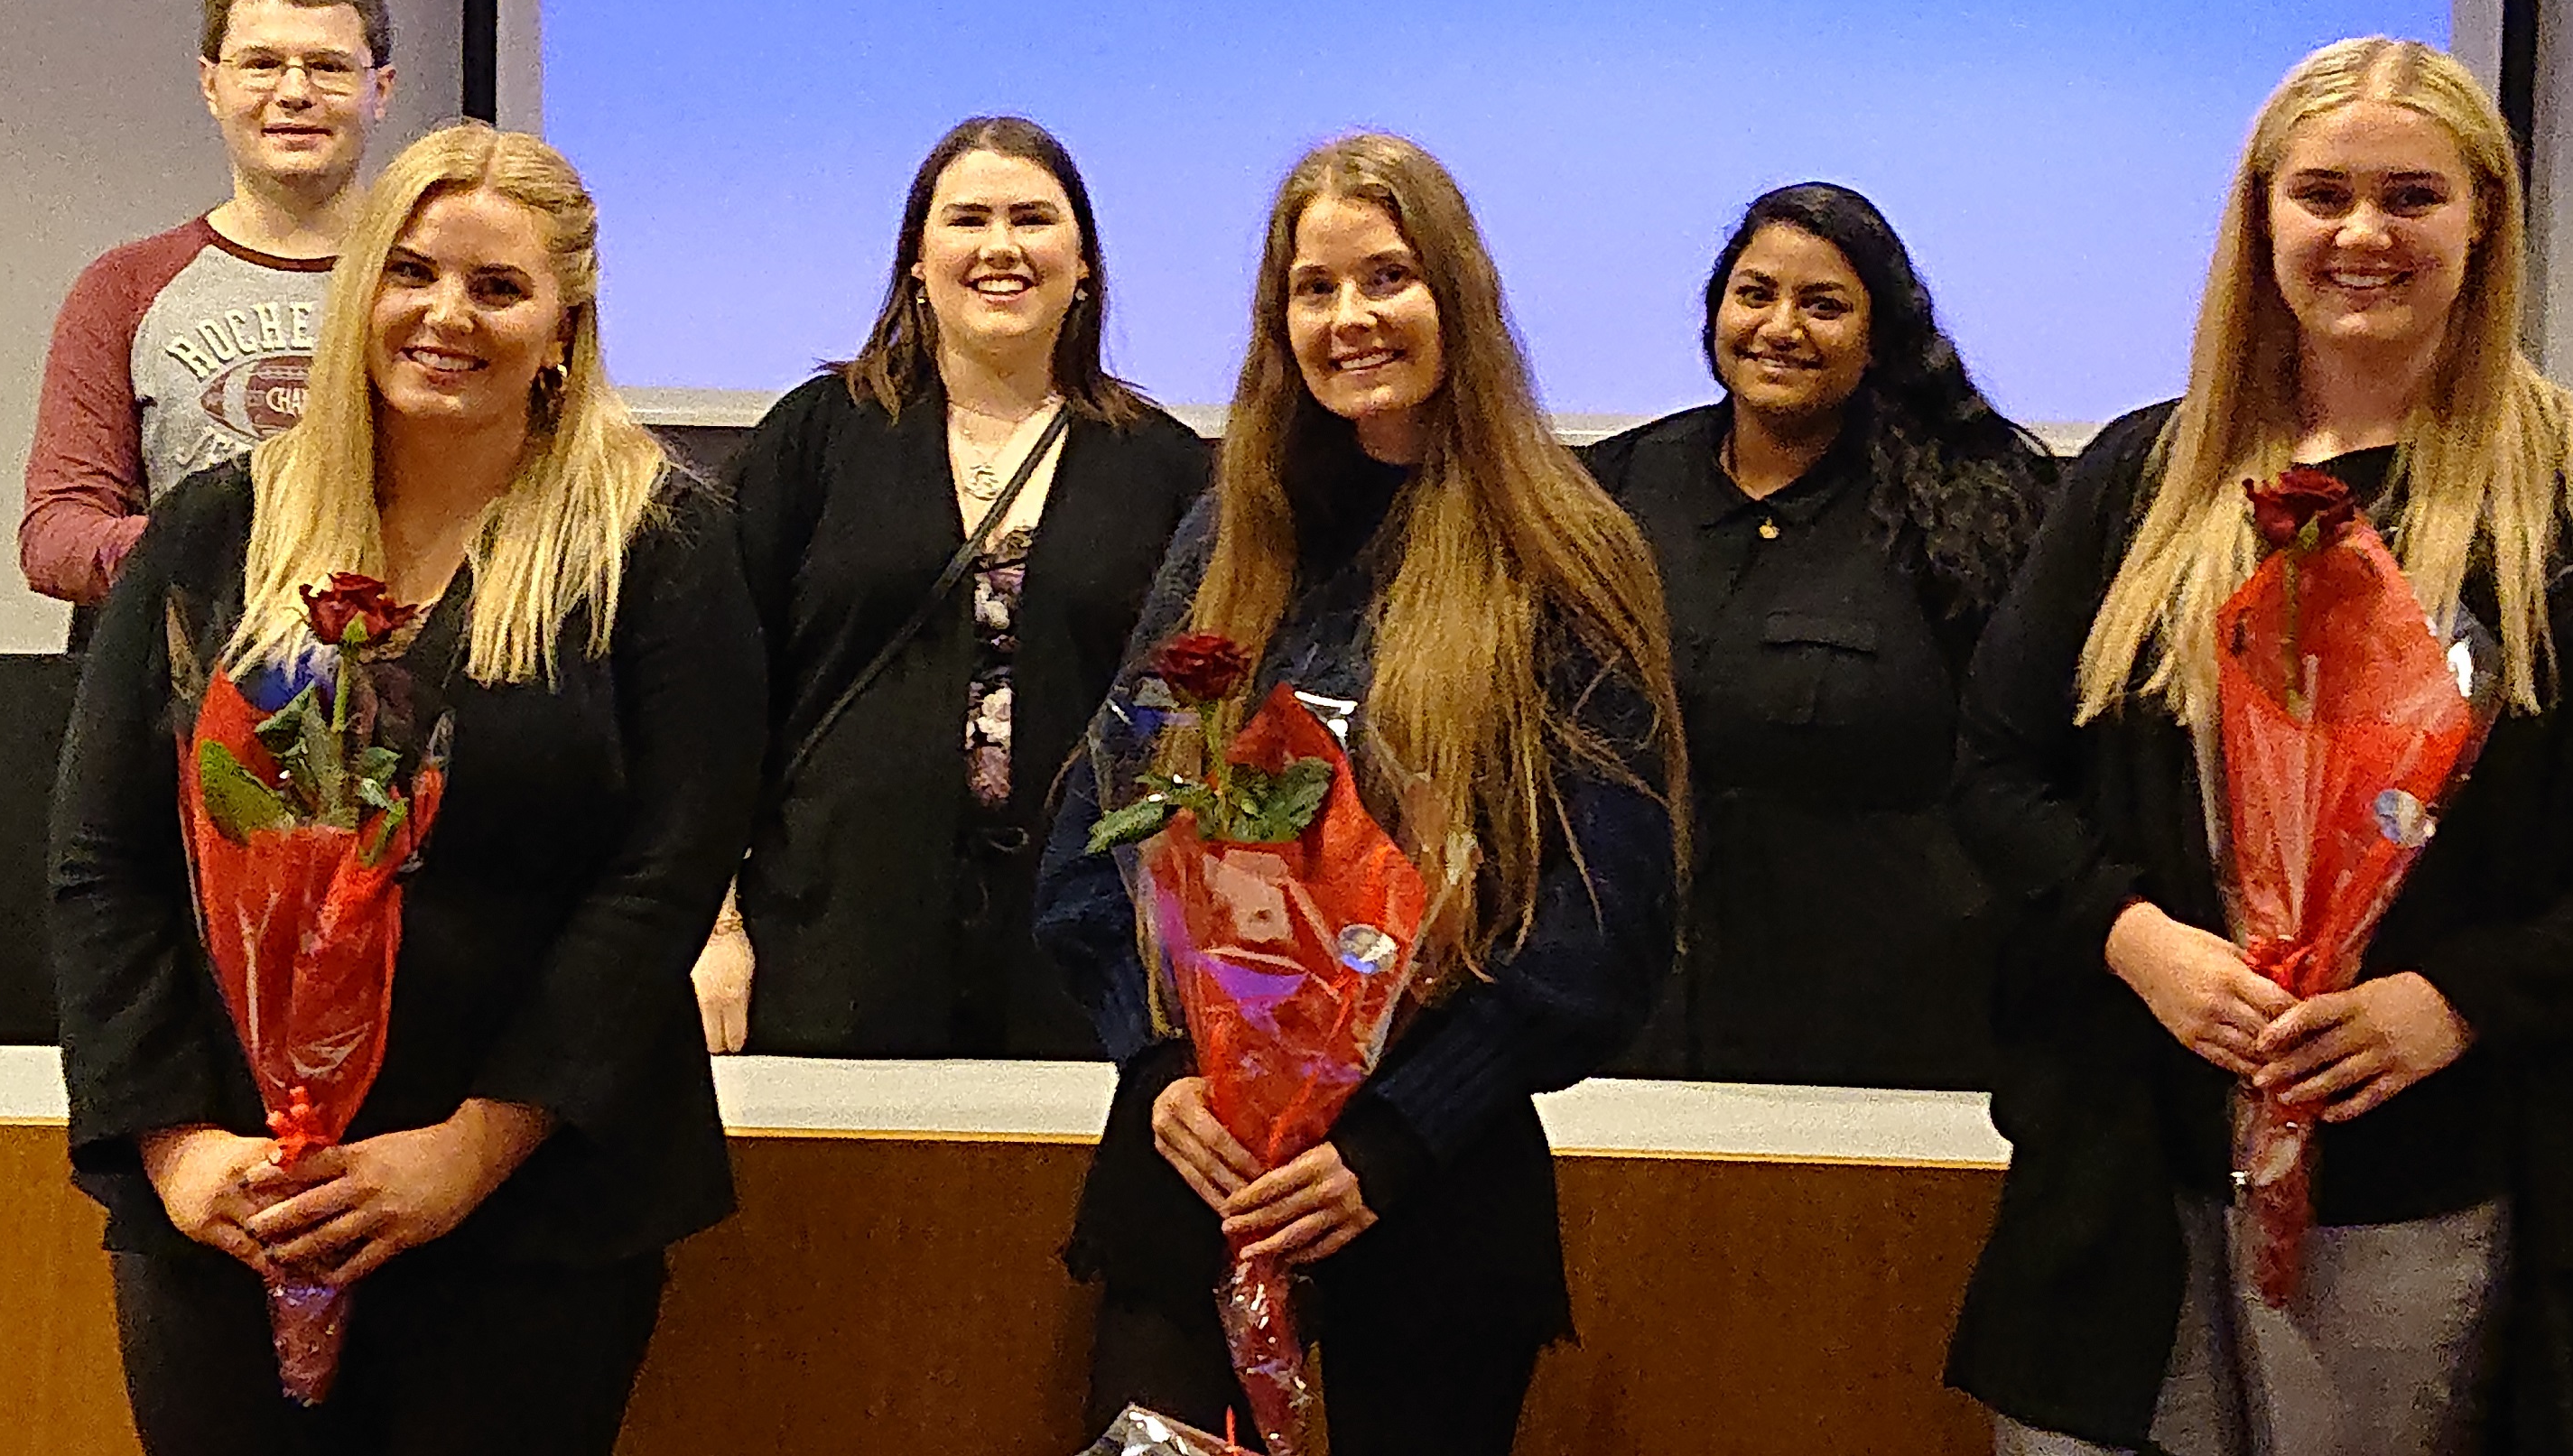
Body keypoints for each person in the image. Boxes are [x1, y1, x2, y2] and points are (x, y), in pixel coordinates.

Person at [1943, 39, 2573, 1454]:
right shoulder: (2143, 480)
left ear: (2483, 221)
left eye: (2412, 196)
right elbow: (1996, 773)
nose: (2363, 234)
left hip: (2425, 1168)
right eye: (2323, 194)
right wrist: (2141, 942)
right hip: (2126, 1156)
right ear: (2262, 217)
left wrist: (2455, 1000)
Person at [49, 122, 765, 1453]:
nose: (447, 316)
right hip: (240, 1204)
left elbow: (665, 874)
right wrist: (175, 1148)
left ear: (562, 328)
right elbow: (103, 860)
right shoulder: (214, 528)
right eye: (412, 273)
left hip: (532, 1214)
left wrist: (472, 1147)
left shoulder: (660, 544)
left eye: (498, 288)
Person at [1036, 132, 1687, 1455]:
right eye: (1313, 288)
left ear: (1458, 291)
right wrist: (1158, 1066)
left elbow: (1606, 927)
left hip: (1428, 1192)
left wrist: (1392, 1140)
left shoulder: (1562, 553)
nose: (1350, 318)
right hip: (1201, 1174)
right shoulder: (1228, 538)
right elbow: (1092, 851)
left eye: (1386, 277)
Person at [695, 116, 1212, 1057]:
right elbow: (714, 697)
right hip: (829, 942)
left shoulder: (1164, 467)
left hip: (1082, 960)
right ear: (917, 261)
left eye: (1032, 219)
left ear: (1084, 263)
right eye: (968, 219)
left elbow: (1200, 729)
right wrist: (715, 926)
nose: (1000, 246)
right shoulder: (816, 436)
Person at [1587, 182, 2054, 1086]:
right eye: (1754, 294)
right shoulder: (1614, 489)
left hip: (1885, 1024)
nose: (1780, 327)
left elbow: (2020, 770)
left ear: (1879, 335)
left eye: (1823, 305)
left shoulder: (1978, 515)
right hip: (1636, 1016)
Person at [23, 0, 398, 629]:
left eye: (328, 66)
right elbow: (55, 535)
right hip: (185, 674)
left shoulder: (435, 291)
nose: (294, 92)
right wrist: (221, 554)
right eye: (261, 64)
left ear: (382, 90)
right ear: (210, 84)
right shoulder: (124, 287)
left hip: (396, 662)